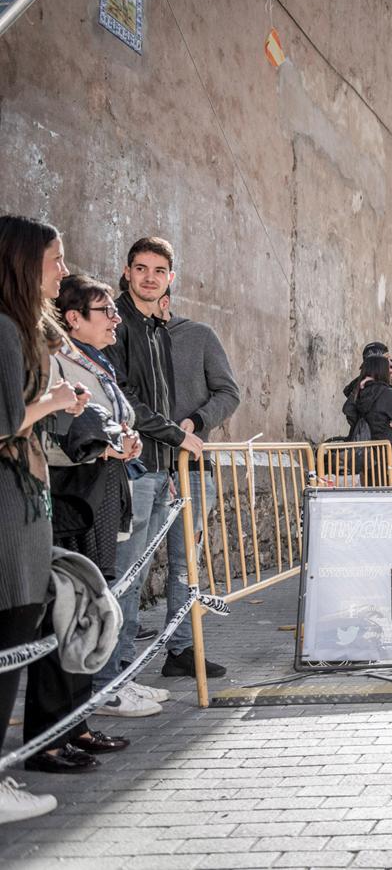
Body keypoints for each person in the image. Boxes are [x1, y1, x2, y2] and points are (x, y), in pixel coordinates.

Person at [27, 274, 146, 774]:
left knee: (89, 611)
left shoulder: (98, 363)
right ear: (74, 317)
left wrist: (126, 441)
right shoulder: (56, 359)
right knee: (63, 616)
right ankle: (47, 740)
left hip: (97, 495)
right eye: (106, 311)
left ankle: (76, 725)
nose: (116, 318)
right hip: (70, 497)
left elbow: (109, 421)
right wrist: (102, 445)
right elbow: (47, 435)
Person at [0, 215, 86, 822]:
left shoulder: (19, 329)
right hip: (8, 506)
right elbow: (5, 420)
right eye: (54, 260)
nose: (62, 271)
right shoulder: (4, 329)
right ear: (25, 262)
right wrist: (53, 400)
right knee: (9, 637)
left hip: (22, 500)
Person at [102, 237, 206, 700]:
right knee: (128, 577)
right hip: (135, 471)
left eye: (158, 270)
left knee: (141, 577)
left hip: (162, 470)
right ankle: (114, 679)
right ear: (127, 273)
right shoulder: (119, 326)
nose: (148, 276)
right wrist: (177, 435)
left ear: (170, 278)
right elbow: (125, 400)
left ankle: (125, 676)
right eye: (140, 268)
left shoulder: (156, 330)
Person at [158, 288, 239, 679]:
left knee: (183, 565)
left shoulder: (198, 335)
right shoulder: (121, 334)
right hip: (139, 467)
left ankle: (181, 650)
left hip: (190, 466)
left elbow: (229, 392)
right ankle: (118, 665)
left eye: (158, 276)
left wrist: (198, 420)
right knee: (128, 568)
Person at [342, 354, 392, 471]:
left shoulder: (360, 393)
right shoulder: (387, 393)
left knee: (372, 488)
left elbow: (348, 411)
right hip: (390, 453)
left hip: (366, 455)